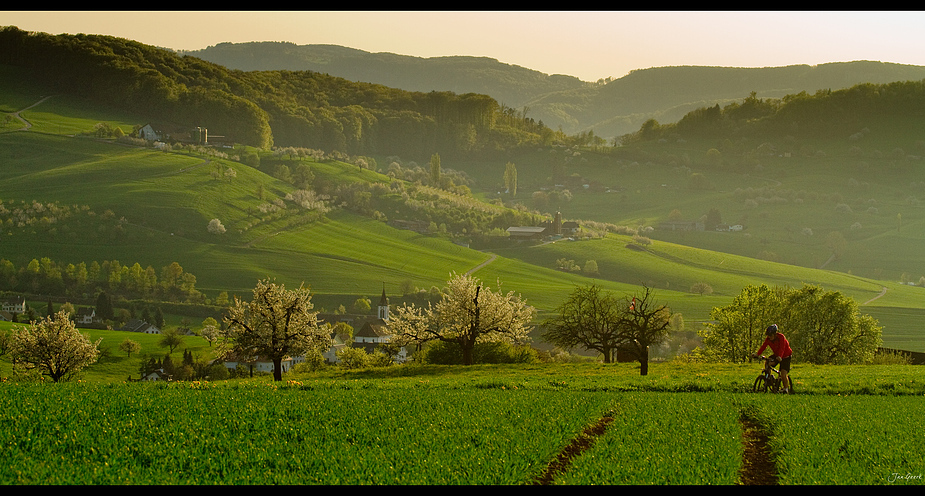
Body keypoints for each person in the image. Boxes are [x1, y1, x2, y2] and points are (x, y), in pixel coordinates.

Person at [753, 324, 793, 393]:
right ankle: (768, 378)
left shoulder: (781, 337)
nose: (769, 337)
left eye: (770, 335)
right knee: (768, 362)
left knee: (783, 374)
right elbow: (763, 346)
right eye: (768, 335)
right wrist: (757, 354)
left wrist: (780, 356)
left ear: (775, 334)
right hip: (777, 355)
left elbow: (782, 348)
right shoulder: (768, 339)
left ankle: (786, 389)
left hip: (786, 356)